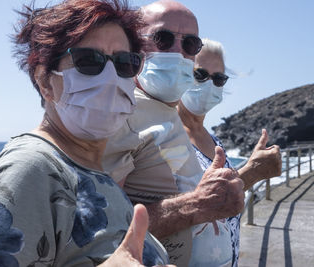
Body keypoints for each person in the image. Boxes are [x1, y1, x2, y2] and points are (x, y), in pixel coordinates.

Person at [0, 1, 173, 266]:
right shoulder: (28, 169)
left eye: (125, 63)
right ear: (45, 81)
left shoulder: (88, 170)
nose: (111, 77)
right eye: (89, 60)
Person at [103, 1, 281, 266]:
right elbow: (100, 231)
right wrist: (198, 204)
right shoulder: (116, 114)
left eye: (189, 44)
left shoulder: (164, 116)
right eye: (162, 39)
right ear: (133, 44)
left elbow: (203, 198)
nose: (176, 53)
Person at [179, 38, 282, 266]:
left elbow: (222, 198)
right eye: (200, 74)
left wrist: (250, 169)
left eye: (219, 79)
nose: (210, 84)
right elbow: (187, 207)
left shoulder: (214, 141)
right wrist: (252, 171)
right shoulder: (167, 136)